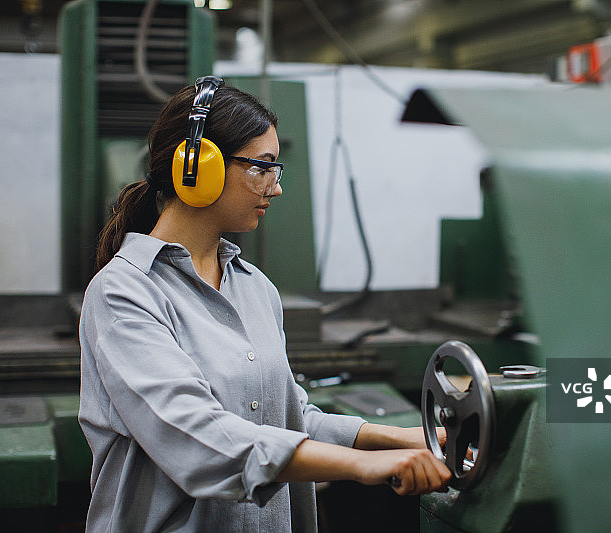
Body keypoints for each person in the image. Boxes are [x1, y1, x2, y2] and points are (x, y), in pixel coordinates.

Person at [78, 77, 450, 533]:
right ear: (197, 165)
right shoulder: (123, 293)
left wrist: (403, 438)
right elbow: (199, 437)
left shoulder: (255, 289)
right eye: (263, 167)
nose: (275, 189)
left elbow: (288, 417)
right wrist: (360, 466)